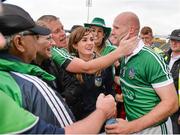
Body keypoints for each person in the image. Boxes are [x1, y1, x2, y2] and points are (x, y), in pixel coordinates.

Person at [0, 3, 117, 134]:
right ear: (19, 43)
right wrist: (102, 112)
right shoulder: (31, 84)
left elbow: (75, 86)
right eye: (35, 36)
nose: (53, 42)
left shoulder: (47, 65)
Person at [105, 11, 178, 134]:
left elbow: (172, 103)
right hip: (133, 125)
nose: (112, 32)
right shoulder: (122, 54)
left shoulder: (150, 58)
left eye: (116, 27)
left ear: (131, 30)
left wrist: (131, 127)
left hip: (154, 129)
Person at [37, 15, 138, 75]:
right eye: (57, 31)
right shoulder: (56, 51)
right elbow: (86, 67)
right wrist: (120, 51)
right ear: (76, 45)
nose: (63, 33)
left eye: (63, 28)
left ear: (104, 35)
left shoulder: (111, 49)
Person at [62, 26, 115, 121]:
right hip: (77, 121)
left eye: (91, 39)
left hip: (99, 119)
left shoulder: (104, 65)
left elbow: (110, 91)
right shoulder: (68, 67)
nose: (90, 43)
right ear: (75, 45)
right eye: (84, 40)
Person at [165, 29, 180, 134]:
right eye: (172, 40)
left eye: (177, 40)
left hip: (176, 111)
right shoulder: (163, 57)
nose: (174, 43)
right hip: (163, 107)